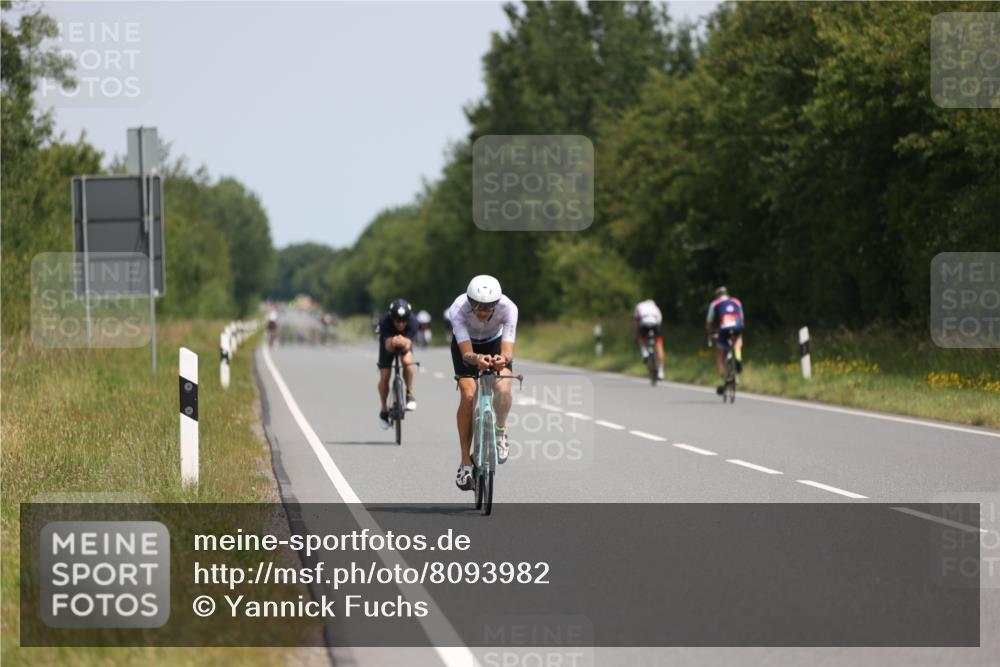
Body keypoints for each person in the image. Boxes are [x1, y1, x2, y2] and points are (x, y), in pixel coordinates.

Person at [446, 275, 518, 491]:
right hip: (467, 348)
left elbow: (508, 351)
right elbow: (466, 353)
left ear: (496, 304)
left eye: (488, 308)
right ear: (469, 301)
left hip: (495, 343)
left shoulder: (509, 308)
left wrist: (502, 359)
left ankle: (501, 430)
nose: (482, 312)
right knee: (468, 395)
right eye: (477, 306)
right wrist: (477, 359)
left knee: (503, 386)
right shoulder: (457, 308)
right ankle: (465, 462)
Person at [377, 299, 419, 429]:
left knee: (407, 361)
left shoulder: (413, 322)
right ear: (392, 318)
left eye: (403, 321)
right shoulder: (385, 321)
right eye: (397, 321)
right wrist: (393, 341)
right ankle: (384, 410)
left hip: (405, 341)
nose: (401, 324)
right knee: (385, 376)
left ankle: (409, 393)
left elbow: (408, 344)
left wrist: (403, 342)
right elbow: (389, 347)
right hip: (388, 343)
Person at [705, 286, 744, 394]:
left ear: (717, 296)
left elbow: (708, 324)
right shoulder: (736, 301)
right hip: (736, 326)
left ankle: (724, 376)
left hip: (724, 328)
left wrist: (711, 333)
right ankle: (738, 358)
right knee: (738, 341)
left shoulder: (714, 304)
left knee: (720, 354)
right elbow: (742, 320)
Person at [633, 299, 665, 381]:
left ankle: (644, 353)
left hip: (644, 323)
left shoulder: (639, 306)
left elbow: (637, 323)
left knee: (641, 337)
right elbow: (659, 321)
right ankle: (661, 371)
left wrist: (636, 335)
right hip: (655, 324)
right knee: (658, 344)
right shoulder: (655, 308)